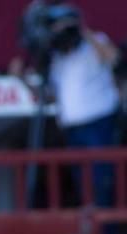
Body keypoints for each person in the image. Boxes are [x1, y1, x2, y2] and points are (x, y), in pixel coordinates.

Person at [45, 5, 122, 207]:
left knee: (102, 184)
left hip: (99, 123)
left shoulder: (93, 44)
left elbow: (114, 57)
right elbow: (51, 97)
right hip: (72, 128)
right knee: (84, 188)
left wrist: (80, 29)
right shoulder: (57, 58)